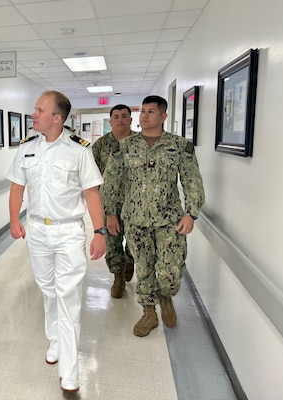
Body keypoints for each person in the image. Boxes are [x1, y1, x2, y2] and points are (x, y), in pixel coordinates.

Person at [7, 90, 106, 393]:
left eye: (39, 110)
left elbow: (91, 193)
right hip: (36, 232)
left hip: (68, 233)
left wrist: (99, 232)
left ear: (57, 118)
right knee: (48, 290)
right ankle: (54, 338)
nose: (33, 114)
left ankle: (70, 369)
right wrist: (14, 220)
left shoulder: (79, 150)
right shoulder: (26, 149)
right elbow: (16, 188)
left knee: (68, 297)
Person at [101, 95, 204, 337]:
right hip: (135, 220)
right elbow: (111, 182)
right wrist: (110, 214)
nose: (144, 116)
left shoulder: (179, 146)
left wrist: (191, 213)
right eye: (143, 111)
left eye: (150, 111)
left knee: (169, 271)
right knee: (144, 268)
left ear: (163, 116)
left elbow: (192, 182)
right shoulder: (125, 147)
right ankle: (149, 312)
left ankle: (166, 294)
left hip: (170, 220)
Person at [92, 104, 137, 298]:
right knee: (112, 242)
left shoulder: (141, 143)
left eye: (124, 116)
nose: (120, 120)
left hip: (136, 203)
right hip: (109, 203)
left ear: (130, 120)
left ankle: (129, 260)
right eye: (116, 117)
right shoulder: (101, 145)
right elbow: (93, 175)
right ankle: (118, 277)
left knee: (134, 241)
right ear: (110, 121)